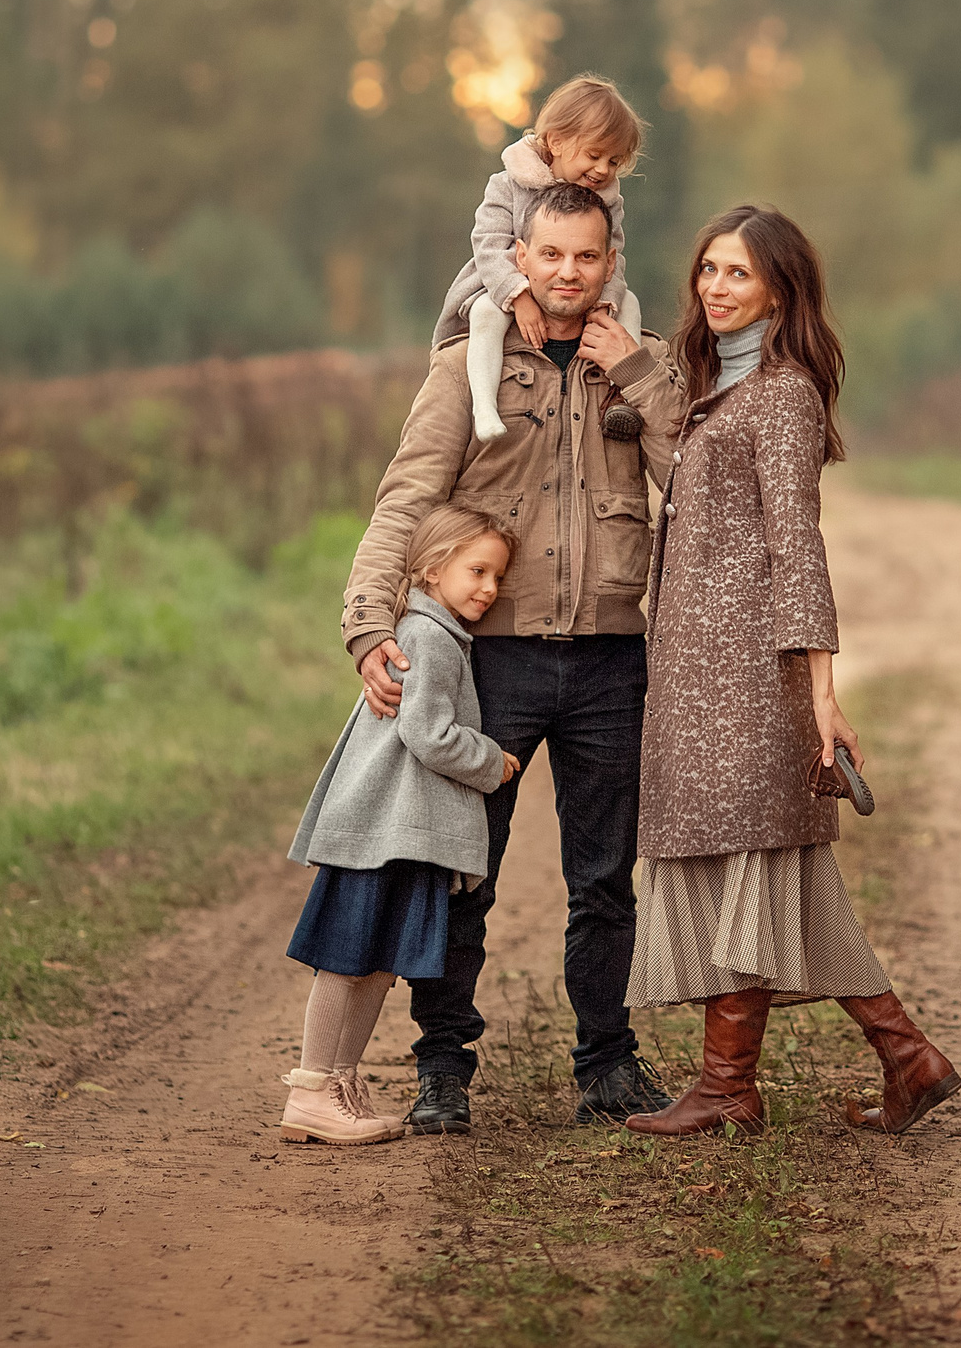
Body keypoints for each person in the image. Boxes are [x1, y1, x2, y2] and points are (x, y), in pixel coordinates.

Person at [345, 181, 683, 1134]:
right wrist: (371, 621)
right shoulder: (470, 363)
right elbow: (407, 496)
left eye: (588, 256)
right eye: (552, 255)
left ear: (611, 261)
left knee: (605, 878)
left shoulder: (644, 363)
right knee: (462, 871)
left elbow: (698, 480)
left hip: (614, 657)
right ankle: (442, 1070)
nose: (569, 274)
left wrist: (645, 380)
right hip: (489, 660)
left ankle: (607, 1066)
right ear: (521, 257)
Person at [623, 203, 961, 1138]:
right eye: (708, 270)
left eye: (738, 273)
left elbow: (796, 546)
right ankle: (904, 1056)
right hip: (695, 675)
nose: (715, 287)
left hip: (748, 677)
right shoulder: (715, 388)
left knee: (753, 869)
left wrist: (821, 692)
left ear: (780, 287)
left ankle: (733, 1087)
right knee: (770, 878)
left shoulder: (781, 394)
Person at [280, 505, 523, 1145]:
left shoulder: (437, 631)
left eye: (497, 576)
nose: (488, 589)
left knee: (378, 962)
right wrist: (490, 761)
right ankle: (312, 1089)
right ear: (432, 568)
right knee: (347, 958)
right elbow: (427, 733)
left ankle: (339, 1080)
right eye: (476, 571)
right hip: (385, 829)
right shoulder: (427, 637)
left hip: (402, 832)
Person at [433, 75, 646, 444]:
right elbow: (487, 243)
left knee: (630, 303)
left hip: (576, 289)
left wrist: (604, 303)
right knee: (486, 312)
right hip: (500, 281)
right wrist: (518, 296)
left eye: (613, 161)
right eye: (593, 155)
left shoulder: (608, 200)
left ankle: (621, 396)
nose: (602, 170)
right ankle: (483, 406)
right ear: (557, 141)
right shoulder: (508, 183)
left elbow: (614, 257)